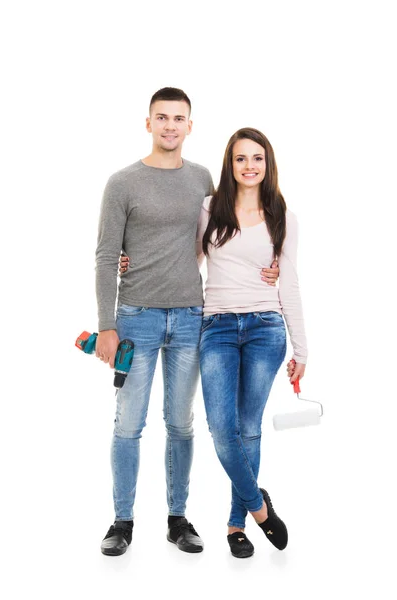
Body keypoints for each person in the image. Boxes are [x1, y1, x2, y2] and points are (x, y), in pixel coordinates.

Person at [95, 88, 280, 556]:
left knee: (181, 425)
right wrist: (106, 325)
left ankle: (178, 519)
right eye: (162, 117)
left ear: (190, 126)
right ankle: (122, 521)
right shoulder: (122, 183)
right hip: (134, 318)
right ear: (148, 123)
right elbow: (103, 257)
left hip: (191, 318)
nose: (171, 126)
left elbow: (228, 230)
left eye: (179, 118)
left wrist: (269, 263)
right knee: (128, 425)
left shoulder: (202, 179)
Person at [195, 127, 308, 558]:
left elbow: (291, 284)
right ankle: (260, 508)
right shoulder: (209, 209)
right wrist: (133, 264)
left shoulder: (283, 216)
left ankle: (234, 524)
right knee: (222, 429)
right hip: (217, 326)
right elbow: (187, 264)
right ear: (230, 164)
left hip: (265, 328)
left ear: (268, 163)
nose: (249, 166)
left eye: (256, 158)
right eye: (240, 158)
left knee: (247, 428)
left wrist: (302, 350)